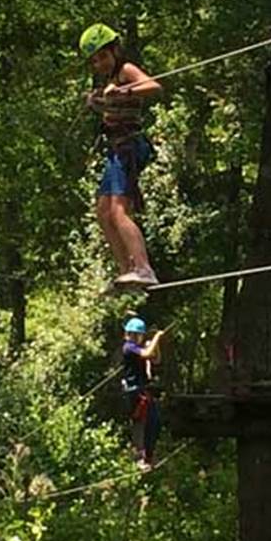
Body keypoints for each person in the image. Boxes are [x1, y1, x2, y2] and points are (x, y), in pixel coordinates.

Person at [80, 23, 163, 290]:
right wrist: (97, 102)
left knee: (118, 211)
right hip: (115, 150)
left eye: (102, 56)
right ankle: (126, 268)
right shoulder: (109, 81)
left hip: (129, 146)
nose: (99, 64)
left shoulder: (125, 71)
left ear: (115, 50)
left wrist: (125, 90)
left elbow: (153, 87)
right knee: (103, 212)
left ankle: (143, 267)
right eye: (93, 60)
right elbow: (114, 109)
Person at [121, 316, 165, 471]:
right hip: (134, 392)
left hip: (144, 391)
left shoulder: (138, 348)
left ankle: (149, 456)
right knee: (140, 424)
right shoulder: (129, 347)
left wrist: (155, 342)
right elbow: (146, 354)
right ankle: (140, 458)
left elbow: (156, 359)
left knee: (154, 422)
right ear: (132, 335)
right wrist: (157, 337)